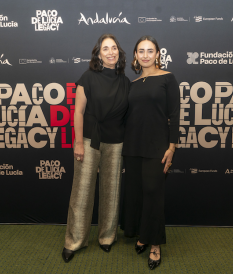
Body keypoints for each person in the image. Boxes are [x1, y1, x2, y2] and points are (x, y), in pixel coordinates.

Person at [62, 34, 130, 263]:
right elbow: (78, 112)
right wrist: (78, 142)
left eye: (114, 48)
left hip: (117, 142)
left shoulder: (125, 81)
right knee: (81, 192)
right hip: (90, 140)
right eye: (105, 49)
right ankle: (74, 241)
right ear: (98, 54)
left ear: (119, 53)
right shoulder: (88, 77)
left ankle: (107, 238)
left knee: (111, 192)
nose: (111, 52)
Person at [121, 35, 180, 270]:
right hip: (133, 147)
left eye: (150, 50)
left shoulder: (168, 78)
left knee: (154, 194)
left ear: (157, 54)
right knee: (136, 194)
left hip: (158, 147)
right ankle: (143, 236)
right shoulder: (132, 84)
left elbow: (174, 115)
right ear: (135, 55)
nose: (145, 55)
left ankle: (155, 244)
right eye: (141, 51)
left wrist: (172, 147)